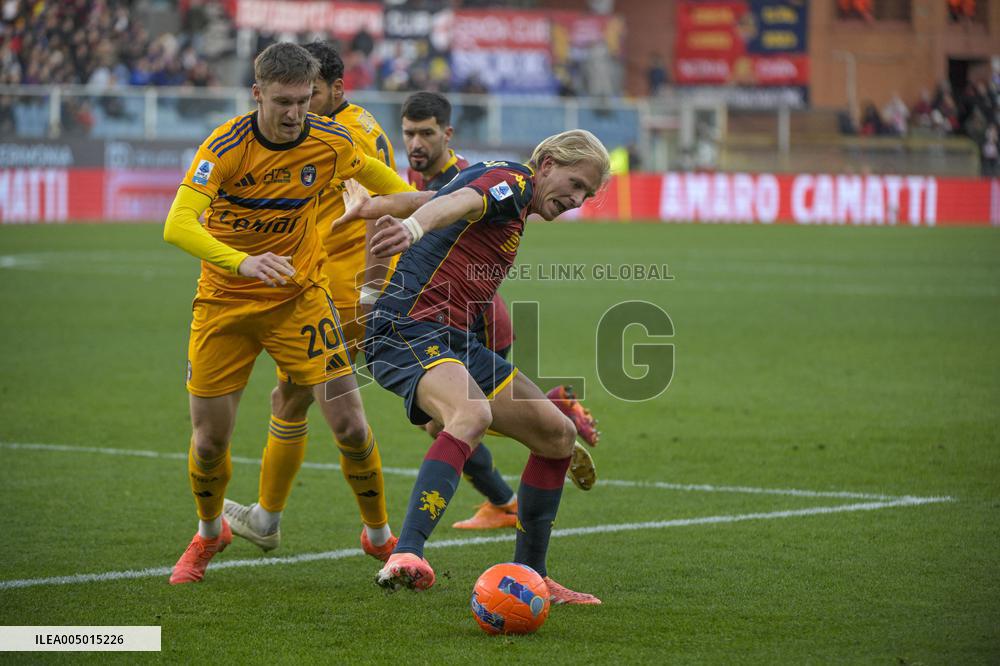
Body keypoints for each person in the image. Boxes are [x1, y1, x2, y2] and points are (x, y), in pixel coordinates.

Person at [163, 42, 414, 585]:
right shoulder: (225, 145)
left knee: (350, 423)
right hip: (225, 304)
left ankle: (379, 537)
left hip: (300, 300)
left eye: (303, 100)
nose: (295, 113)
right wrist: (243, 263)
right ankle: (210, 534)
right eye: (283, 102)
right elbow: (178, 223)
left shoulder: (329, 141)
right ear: (257, 94)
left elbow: (389, 184)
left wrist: (444, 208)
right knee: (209, 442)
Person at [343, 129, 610, 604]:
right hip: (407, 328)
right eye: (575, 184)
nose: (576, 199)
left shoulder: (507, 189)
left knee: (557, 437)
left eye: (587, 194)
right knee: (472, 415)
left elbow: (435, 195)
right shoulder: (513, 182)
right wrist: (412, 230)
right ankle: (406, 553)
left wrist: (377, 207)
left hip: (454, 339)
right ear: (546, 163)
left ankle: (532, 575)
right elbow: (456, 202)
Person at [398, 91, 599, 531]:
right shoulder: (420, 181)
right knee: (451, 419)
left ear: (446, 136)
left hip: (474, 320)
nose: (416, 142)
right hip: (451, 316)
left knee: (456, 419)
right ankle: (511, 489)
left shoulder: (469, 177)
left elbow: (454, 210)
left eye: (426, 133)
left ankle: (514, 484)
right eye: (409, 132)